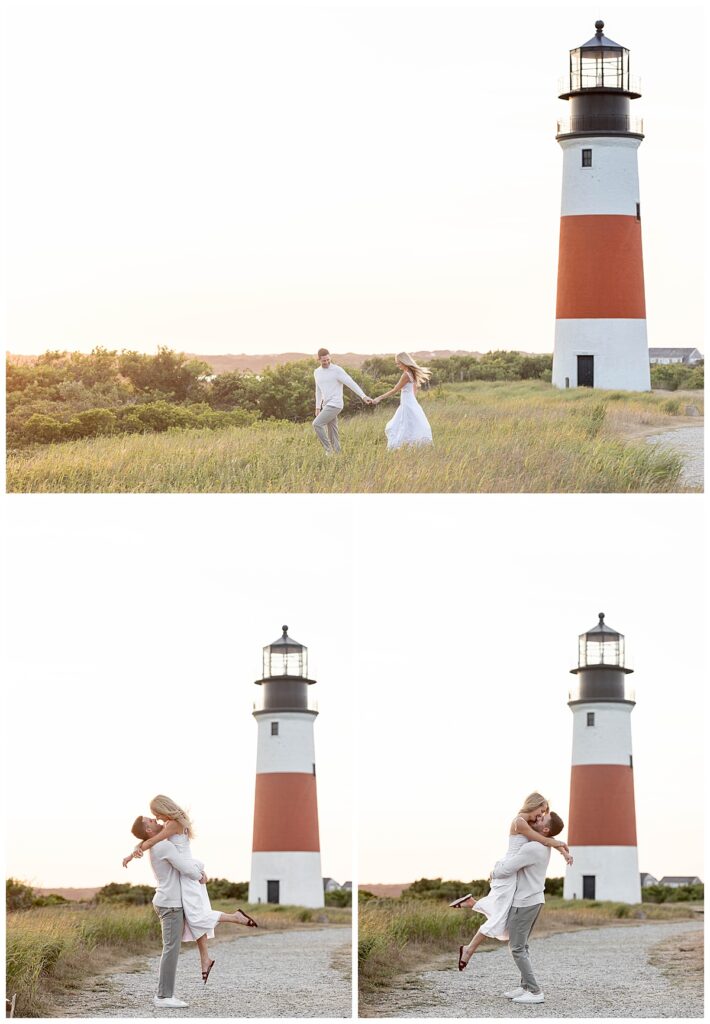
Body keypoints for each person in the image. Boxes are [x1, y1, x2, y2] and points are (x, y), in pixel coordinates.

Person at [124, 796, 257, 991]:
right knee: (195, 917)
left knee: (196, 916)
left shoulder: (173, 824)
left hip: (187, 875)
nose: (157, 818)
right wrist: (137, 848)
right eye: (152, 818)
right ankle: (205, 959)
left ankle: (235, 918)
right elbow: (152, 840)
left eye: (156, 814)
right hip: (186, 873)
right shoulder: (173, 823)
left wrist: (134, 851)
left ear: (163, 809)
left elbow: (153, 840)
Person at [451, 793, 571, 977]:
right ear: (534, 805)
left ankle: (472, 906)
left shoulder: (529, 824)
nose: (541, 815)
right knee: (499, 917)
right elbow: (546, 839)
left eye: (543, 813)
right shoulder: (520, 823)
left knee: (501, 914)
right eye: (541, 810)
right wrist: (562, 847)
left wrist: (563, 852)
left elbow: (545, 837)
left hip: (511, 872)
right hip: (507, 872)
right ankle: (468, 950)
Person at [313, 348, 373, 453]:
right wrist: (318, 407)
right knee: (332, 431)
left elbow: (351, 383)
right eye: (324, 361)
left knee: (317, 424)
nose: (326, 362)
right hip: (326, 404)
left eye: (328, 360)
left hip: (335, 404)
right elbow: (318, 390)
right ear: (318, 359)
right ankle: (337, 454)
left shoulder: (337, 370)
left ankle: (328, 451)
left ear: (330, 357)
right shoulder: (317, 372)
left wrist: (363, 396)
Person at [372, 353, 433, 449]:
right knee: (408, 425)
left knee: (398, 425)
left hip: (407, 403)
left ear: (404, 362)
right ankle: (409, 447)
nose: (398, 365)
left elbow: (395, 390)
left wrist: (379, 398)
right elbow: (414, 390)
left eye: (399, 363)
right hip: (410, 402)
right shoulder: (412, 373)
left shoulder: (406, 375)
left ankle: (401, 447)